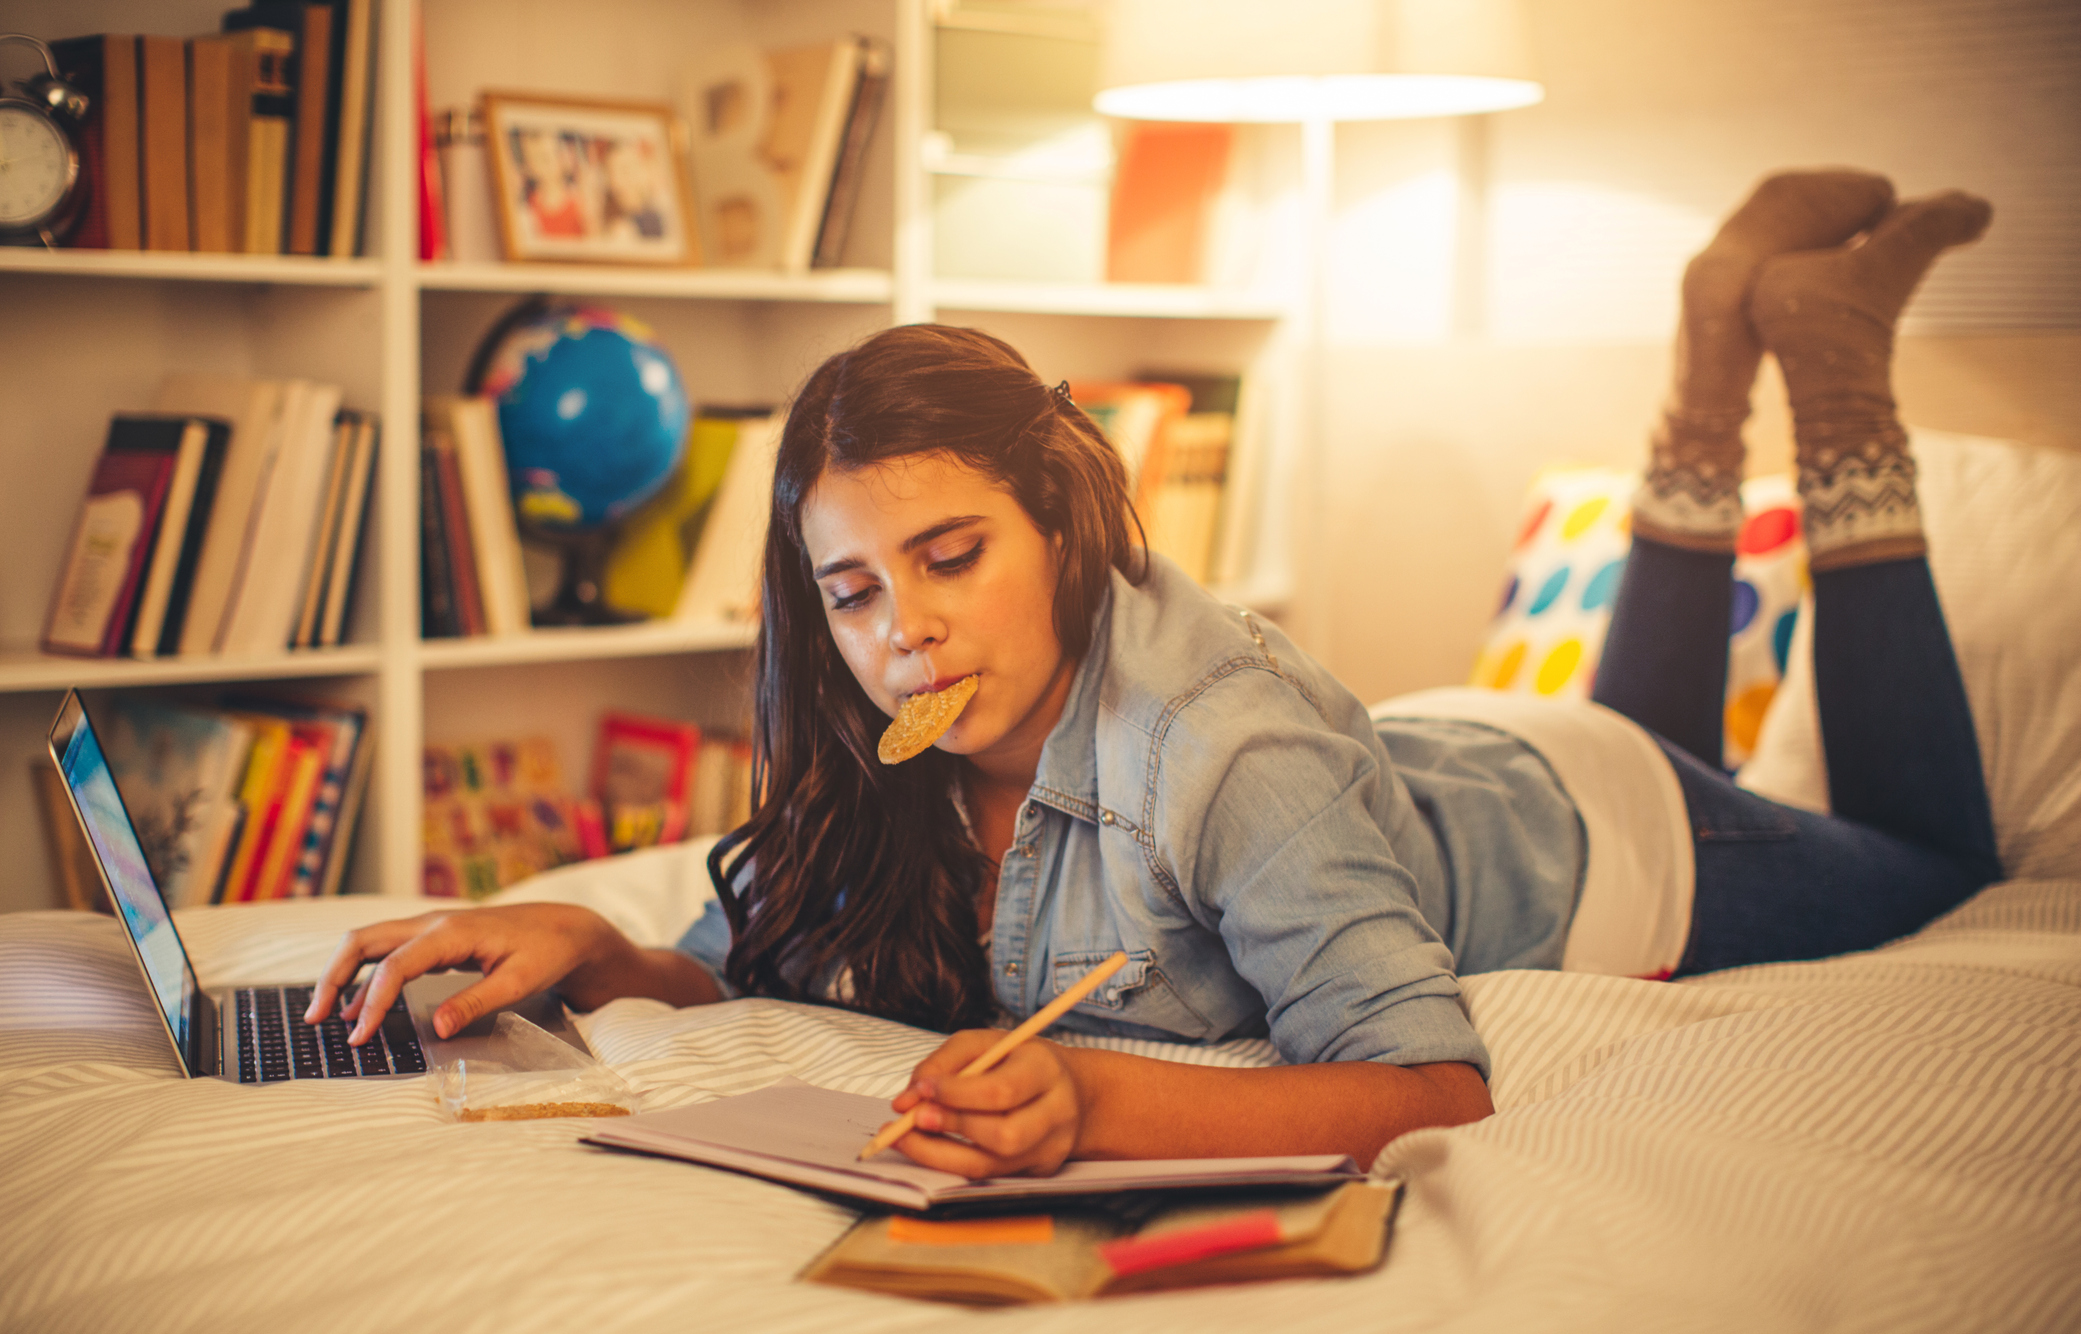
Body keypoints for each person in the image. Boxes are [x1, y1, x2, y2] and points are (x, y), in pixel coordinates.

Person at [307, 170, 1997, 1178]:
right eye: (850, 588)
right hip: (1426, 753)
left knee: (1942, 865)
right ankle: (1711, 348)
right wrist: (595, 947)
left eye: (949, 556)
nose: (899, 625)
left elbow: (1434, 1077)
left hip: (1604, 834)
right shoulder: (880, 728)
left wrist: (1106, 1097)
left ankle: (1832, 382)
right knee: (1631, 712)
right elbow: (754, 972)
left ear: (1050, 518)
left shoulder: (1226, 755)